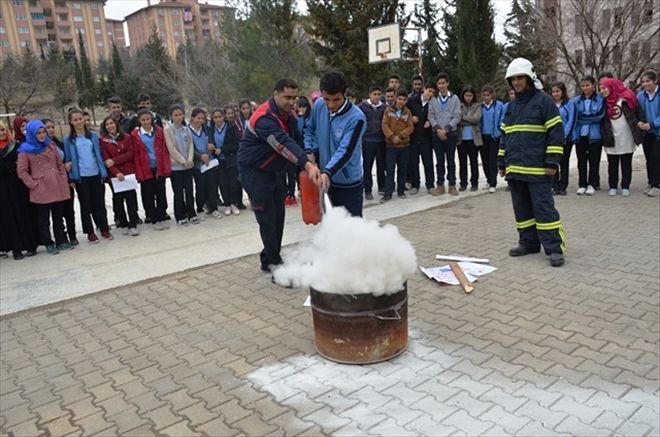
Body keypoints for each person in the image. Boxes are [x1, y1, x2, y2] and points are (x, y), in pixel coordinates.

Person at [238, 78, 321, 272]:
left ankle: (268, 257)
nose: (292, 102)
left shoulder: (288, 115)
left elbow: (296, 138)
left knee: (278, 215)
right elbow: (282, 143)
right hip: (254, 171)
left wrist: (308, 155)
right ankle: (275, 265)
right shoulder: (263, 118)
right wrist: (306, 165)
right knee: (267, 217)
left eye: (294, 97)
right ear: (275, 94)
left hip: (273, 170)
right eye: (287, 97)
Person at [498, 58, 566, 267]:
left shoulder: (544, 101)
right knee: (522, 210)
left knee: (544, 209)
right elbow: (504, 135)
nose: (517, 82)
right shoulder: (510, 106)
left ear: (529, 78)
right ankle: (528, 243)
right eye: (513, 79)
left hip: (538, 169)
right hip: (516, 169)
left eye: (520, 78)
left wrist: (552, 162)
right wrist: (502, 162)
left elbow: (556, 133)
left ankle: (554, 248)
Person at [305, 71, 367, 217]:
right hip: (327, 182)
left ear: (345, 93)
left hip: (348, 184)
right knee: (332, 229)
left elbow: (346, 151)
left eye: (336, 99)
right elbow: (309, 129)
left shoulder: (357, 118)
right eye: (327, 99)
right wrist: (309, 150)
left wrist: (328, 171)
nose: (331, 105)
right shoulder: (319, 106)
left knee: (352, 229)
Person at [17, 120, 72, 254]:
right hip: (41, 187)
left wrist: (62, 178)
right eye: (38, 133)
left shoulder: (51, 145)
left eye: (43, 132)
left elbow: (60, 164)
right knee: (44, 219)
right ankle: (48, 243)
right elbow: (22, 171)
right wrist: (34, 184)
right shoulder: (25, 150)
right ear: (31, 134)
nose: (42, 135)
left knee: (58, 216)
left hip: (57, 184)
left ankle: (60, 241)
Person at [64, 108, 113, 243]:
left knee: (100, 204)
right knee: (86, 206)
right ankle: (90, 232)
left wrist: (103, 171)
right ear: (71, 122)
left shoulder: (93, 136)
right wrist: (71, 177)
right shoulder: (68, 140)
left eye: (81, 119)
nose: (79, 122)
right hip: (81, 177)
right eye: (76, 120)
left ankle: (104, 229)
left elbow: (98, 154)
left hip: (96, 174)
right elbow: (68, 160)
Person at [0, 120, 38, 260]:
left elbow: (20, 165)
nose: (2, 133)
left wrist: (6, 167)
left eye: (3, 130)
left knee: (22, 214)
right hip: (2, 190)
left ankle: (28, 245)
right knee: (8, 217)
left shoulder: (15, 146)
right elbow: (12, 165)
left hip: (17, 187)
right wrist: (9, 167)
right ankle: (15, 248)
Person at [599, 78, 641, 197]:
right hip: (611, 135)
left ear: (612, 87)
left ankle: (625, 186)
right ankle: (612, 186)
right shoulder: (603, 102)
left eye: (604, 88)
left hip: (627, 136)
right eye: (600, 88)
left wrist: (641, 124)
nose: (602, 91)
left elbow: (638, 112)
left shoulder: (625, 99)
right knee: (612, 163)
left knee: (626, 162)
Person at [100, 115, 141, 235]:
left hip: (128, 173)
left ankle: (133, 224)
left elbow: (130, 153)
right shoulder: (103, 140)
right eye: (107, 124)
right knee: (118, 200)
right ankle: (123, 223)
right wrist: (116, 172)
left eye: (112, 123)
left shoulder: (127, 137)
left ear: (116, 124)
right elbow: (107, 160)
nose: (110, 126)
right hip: (114, 176)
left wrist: (115, 161)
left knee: (131, 200)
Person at [131, 108, 171, 230]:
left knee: (161, 193)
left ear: (152, 119)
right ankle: (153, 220)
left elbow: (164, 150)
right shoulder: (135, 135)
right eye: (143, 120)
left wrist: (165, 167)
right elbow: (135, 154)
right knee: (148, 195)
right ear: (139, 121)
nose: (146, 122)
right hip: (145, 169)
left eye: (148, 119)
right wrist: (139, 171)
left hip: (158, 167)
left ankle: (161, 216)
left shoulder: (159, 131)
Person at [43, 118, 77, 244]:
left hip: (65, 181)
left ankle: (72, 235)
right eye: (48, 127)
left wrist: (70, 177)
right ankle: (61, 237)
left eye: (52, 127)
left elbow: (67, 160)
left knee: (69, 211)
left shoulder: (60, 143)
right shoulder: (40, 147)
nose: (51, 130)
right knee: (58, 213)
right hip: (52, 183)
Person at [428, 72, 461, 196]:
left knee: (451, 161)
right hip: (436, 135)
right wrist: (438, 130)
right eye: (439, 83)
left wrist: (446, 129)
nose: (441, 85)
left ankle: (452, 185)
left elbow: (457, 116)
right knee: (439, 161)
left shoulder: (454, 98)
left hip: (450, 134)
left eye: (443, 83)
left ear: (447, 83)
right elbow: (430, 115)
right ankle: (440, 185)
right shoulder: (433, 99)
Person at [571, 75, 605, 195]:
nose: (585, 88)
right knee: (581, 161)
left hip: (595, 135)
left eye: (588, 85)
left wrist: (583, 118)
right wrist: (588, 118)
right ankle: (582, 184)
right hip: (580, 135)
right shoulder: (575, 101)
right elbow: (575, 117)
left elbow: (599, 116)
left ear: (593, 86)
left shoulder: (600, 99)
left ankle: (592, 184)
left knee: (594, 161)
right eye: (583, 85)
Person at [381, 89, 414, 202]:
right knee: (390, 170)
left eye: (404, 100)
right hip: (391, 146)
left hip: (404, 145)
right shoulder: (388, 110)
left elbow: (410, 127)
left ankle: (401, 191)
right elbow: (384, 125)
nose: (401, 101)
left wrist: (399, 136)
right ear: (396, 99)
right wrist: (391, 136)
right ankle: (388, 193)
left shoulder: (408, 112)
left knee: (403, 169)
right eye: (399, 99)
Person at [209, 107, 241, 216]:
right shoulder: (211, 129)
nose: (218, 119)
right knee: (223, 184)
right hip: (218, 162)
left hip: (231, 160)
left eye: (220, 117)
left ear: (224, 117)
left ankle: (233, 204)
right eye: (215, 117)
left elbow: (236, 144)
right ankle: (227, 204)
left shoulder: (231, 127)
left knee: (233, 183)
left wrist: (222, 149)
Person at [406, 81, 436, 195]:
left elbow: (437, 116)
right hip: (413, 138)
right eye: (429, 91)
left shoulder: (433, 104)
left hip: (426, 139)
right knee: (414, 163)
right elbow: (404, 113)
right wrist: (411, 118)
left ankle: (430, 185)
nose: (431, 94)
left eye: (433, 92)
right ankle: (415, 185)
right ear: (424, 89)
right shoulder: (412, 100)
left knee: (428, 163)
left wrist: (430, 122)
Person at [358, 85, 387, 200]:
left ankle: (382, 187)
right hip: (367, 141)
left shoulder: (384, 107)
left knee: (381, 165)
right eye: (374, 94)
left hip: (380, 140)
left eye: (379, 94)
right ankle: (368, 190)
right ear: (369, 94)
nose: (376, 97)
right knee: (367, 166)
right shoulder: (362, 107)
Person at [550, 82, 576, 196]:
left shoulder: (569, 104)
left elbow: (570, 121)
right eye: (553, 92)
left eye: (558, 91)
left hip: (566, 138)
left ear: (563, 92)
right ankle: (554, 186)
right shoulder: (550, 104)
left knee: (564, 162)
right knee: (553, 162)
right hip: (552, 139)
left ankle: (563, 186)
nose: (555, 94)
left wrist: (564, 135)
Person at [637, 70, 660, 197]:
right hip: (647, 132)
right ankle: (651, 182)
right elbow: (638, 111)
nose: (645, 84)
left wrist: (652, 124)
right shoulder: (641, 95)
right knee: (648, 158)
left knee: (656, 157)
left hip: (657, 131)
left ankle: (656, 185)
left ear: (655, 80)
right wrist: (640, 122)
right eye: (643, 82)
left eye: (648, 81)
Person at [480, 85, 505, 193]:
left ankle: (493, 183)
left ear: (492, 95)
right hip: (482, 136)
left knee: (492, 160)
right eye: (484, 95)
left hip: (494, 137)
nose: (486, 97)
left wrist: (498, 132)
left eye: (488, 95)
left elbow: (502, 119)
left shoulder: (499, 105)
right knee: (484, 160)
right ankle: (488, 180)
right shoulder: (480, 106)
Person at [457, 86, 482, 192]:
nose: (468, 98)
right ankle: (463, 183)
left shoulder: (477, 106)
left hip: (473, 138)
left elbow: (476, 119)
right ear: (463, 95)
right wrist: (468, 120)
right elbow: (457, 119)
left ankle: (474, 183)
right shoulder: (459, 105)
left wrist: (464, 118)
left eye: (470, 95)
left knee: (473, 162)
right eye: (466, 95)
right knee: (462, 162)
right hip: (461, 139)